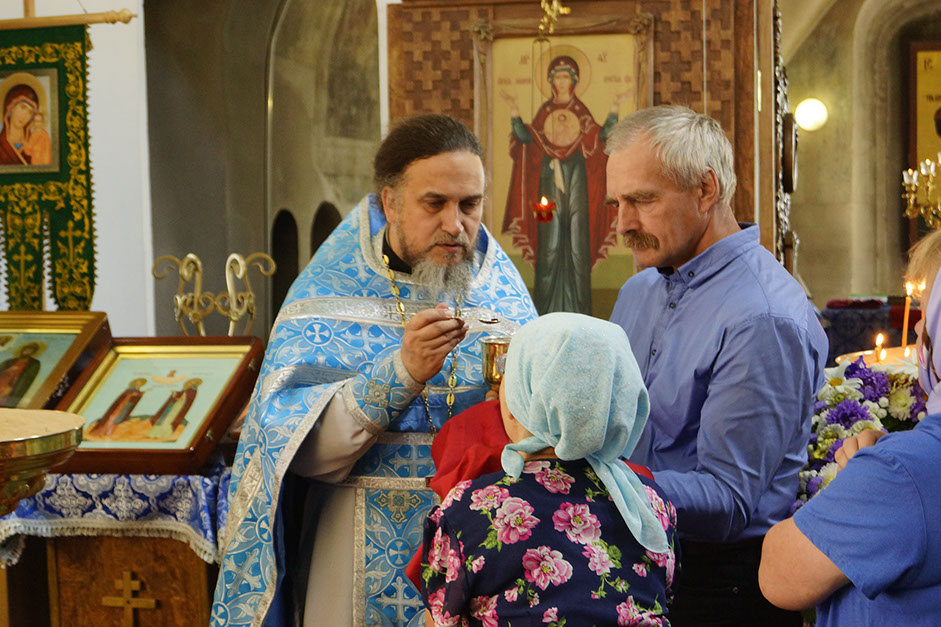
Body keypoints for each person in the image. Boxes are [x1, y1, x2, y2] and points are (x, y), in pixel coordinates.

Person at [212, 114, 538, 627]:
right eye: (435, 203)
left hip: (481, 544)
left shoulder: (504, 296)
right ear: (390, 202)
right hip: (351, 542)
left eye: (469, 205)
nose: (455, 224)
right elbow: (285, 448)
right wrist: (401, 373)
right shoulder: (325, 293)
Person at [604, 105, 828, 625]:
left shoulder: (763, 316)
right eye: (617, 203)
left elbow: (728, 500)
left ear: (706, 190)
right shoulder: (640, 290)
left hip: (719, 588)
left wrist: (590, 483)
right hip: (633, 565)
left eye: (642, 200)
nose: (622, 224)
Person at [419, 313, 678, 626]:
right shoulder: (650, 504)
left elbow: (440, 618)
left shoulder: (470, 507)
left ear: (515, 407)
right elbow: (664, 595)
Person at [759, 230, 941, 625]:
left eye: (927, 311)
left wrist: (862, 479)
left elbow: (779, 575)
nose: (917, 330)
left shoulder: (902, 474)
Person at [500, 55, 629, 315]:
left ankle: (579, 309)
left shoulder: (580, 112)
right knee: (550, 239)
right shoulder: (545, 111)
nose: (561, 82)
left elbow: (601, 135)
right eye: (557, 77)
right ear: (551, 82)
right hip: (549, 181)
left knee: (577, 238)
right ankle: (545, 310)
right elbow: (527, 137)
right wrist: (514, 111)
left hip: (577, 179)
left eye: (565, 77)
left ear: (574, 81)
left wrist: (615, 108)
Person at [0, 78, 51, 166]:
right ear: (10, 107)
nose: (25, 116)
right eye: (23, 107)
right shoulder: (1, 144)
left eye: (30, 112)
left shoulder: (37, 142)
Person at [0, 341, 42, 408]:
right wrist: (9, 370)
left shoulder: (34, 363)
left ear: (33, 352)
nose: (27, 351)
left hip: (12, 386)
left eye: (30, 350)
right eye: (26, 349)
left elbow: (28, 377)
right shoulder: (10, 361)